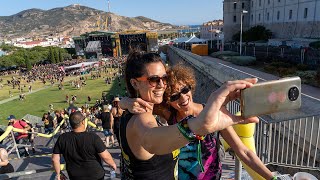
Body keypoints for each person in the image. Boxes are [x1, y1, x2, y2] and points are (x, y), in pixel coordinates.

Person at [119, 50, 259, 179]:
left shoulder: (135, 110)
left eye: (164, 78)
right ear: (134, 83)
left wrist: (122, 102)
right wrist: (199, 125)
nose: (162, 84)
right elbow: (150, 139)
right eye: (154, 79)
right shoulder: (141, 117)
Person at [52, 111, 116, 180]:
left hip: (75, 176)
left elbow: (54, 159)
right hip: (95, 175)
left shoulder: (62, 138)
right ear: (83, 122)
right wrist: (112, 164)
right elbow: (105, 156)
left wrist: (59, 174)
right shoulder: (93, 137)